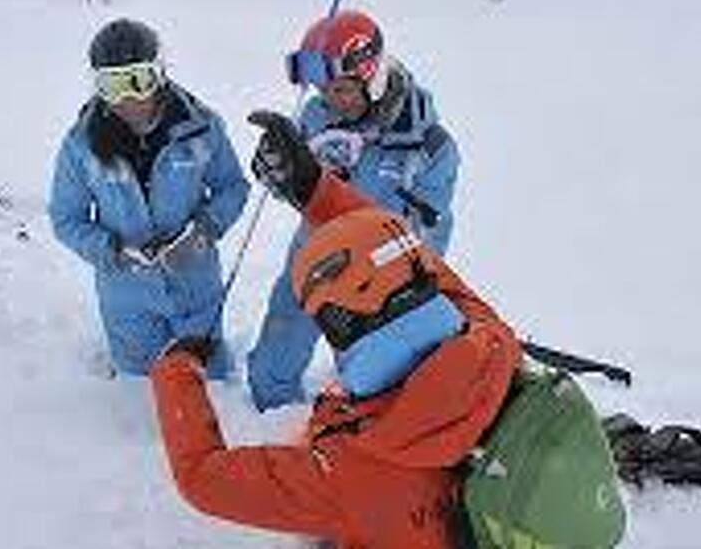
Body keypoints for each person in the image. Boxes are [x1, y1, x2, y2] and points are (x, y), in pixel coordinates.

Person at [150, 110, 521, 549]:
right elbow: (404, 252)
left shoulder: (349, 473)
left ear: (341, 325)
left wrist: (175, 372)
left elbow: (204, 480)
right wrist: (313, 188)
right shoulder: (490, 336)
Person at [247, 10, 462, 411]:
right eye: (323, 90)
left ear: (373, 76)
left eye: (342, 89)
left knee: (372, 381)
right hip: (311, 258)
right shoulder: (317, 116)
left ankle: (349, 432)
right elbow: (301, 186)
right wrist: (281, 175)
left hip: (378, 284)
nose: (331, 100)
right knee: (276, 353)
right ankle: (269, 416)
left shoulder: (430, 148)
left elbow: (423, 238)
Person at [48, 19, 250, 378]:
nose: (127, 98)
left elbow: (232, 188)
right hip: (127, 295)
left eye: (137, 81)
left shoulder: (201, 128)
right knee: (139, 390)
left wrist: (203, 232)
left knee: (209, 382)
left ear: (159, 74)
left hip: (196, 288)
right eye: (112, 86)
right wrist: (111, 249)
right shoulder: (82, 145)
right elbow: (66, 218)